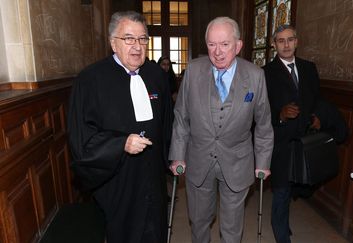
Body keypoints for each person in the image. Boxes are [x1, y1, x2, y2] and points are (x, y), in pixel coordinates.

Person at [67, 11, 172, 243]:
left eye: (143, 39)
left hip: (153, 177)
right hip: (117, 181)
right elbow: (81, 140)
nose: (137, 46)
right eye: (129, 39)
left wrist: (171, 158)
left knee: (155, 231)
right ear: (113, 43)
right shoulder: (90, 80)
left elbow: (167, 124)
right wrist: (121, 143)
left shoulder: (156, 75)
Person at [168, 16, 273, 243]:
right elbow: (181, 117)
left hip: (237, 160)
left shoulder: (255, 76)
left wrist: (263, 162)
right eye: (211, 44)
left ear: (238, 45)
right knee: (199, 221)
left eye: (225, 44)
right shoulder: (193, 71)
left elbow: (264, 124)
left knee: (232, 227)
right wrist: (177, 156)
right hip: (198, 158)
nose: (217, 52)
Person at [264, 24, 347, 243]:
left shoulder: (309, 68)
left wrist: (318, 117)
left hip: (305, 141)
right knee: (281, 192)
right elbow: (259, 110)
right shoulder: (265, 73)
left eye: (290, 39)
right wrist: (279, 115)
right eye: (280, 41)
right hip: (281, 143)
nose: (286, 45)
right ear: (274, 45)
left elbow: (317, 98)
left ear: (297, 42)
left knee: (296, 187)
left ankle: (284, 224)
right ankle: (282, 236)